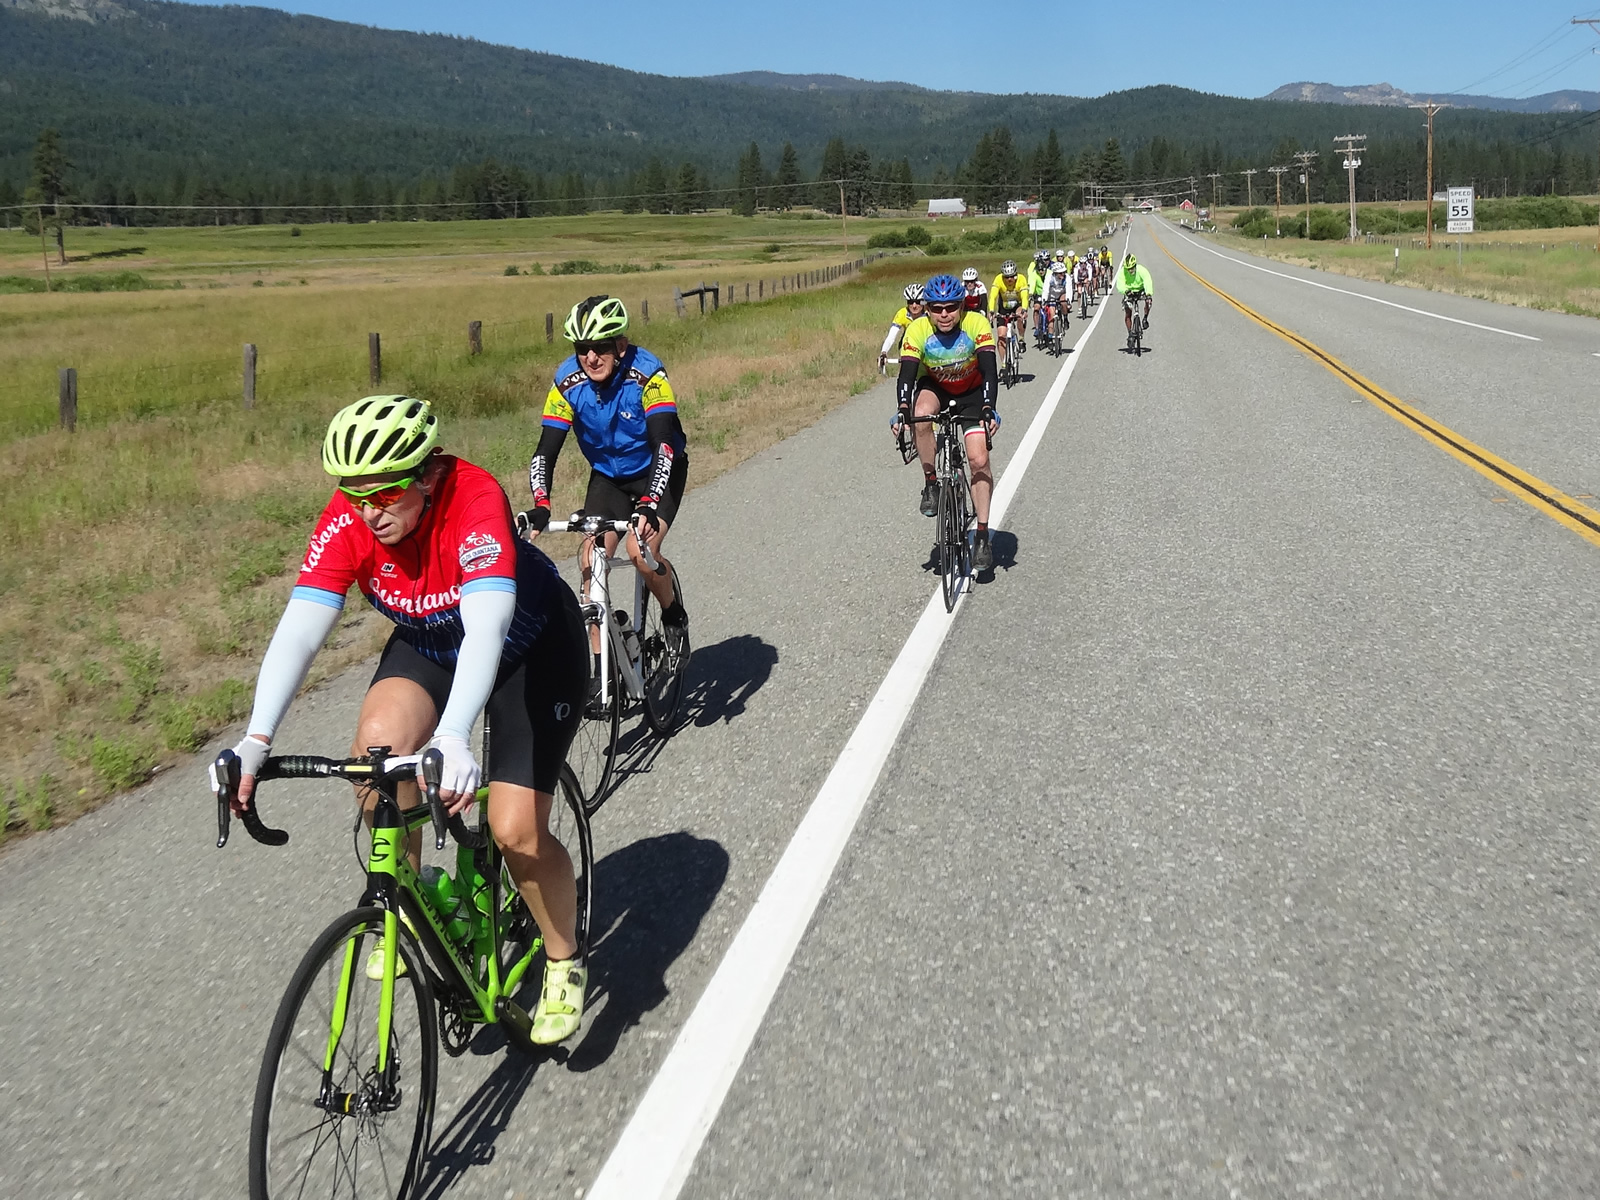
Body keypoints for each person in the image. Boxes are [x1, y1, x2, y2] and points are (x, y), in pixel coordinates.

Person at [221, 395, 592, 1045]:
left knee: (514, 831)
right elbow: (302, 628)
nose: (369, 511)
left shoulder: (472, 498)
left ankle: (563, 958)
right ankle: (415, 900)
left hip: (529, 647)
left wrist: (452, 734)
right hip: (432, 643)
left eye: (385, 493)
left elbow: (487, 627)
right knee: (373, 759)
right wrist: (256, 738)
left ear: (426, 474)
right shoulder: (351, 518)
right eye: (355, 493)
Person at [525, 295, 690, 694]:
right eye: (582, 348)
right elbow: (545, 451)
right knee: (590, 558)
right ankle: (603, 672)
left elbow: (664, 444)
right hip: (609, 478)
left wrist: (649, 503)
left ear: (620, 345)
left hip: (658, 470)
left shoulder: (648, 374)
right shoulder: (567, 382)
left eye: (600, 347)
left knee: (640, 552)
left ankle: (673, 617)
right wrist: (541, 504)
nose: (590, 357)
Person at [889, 273, 1001, 570]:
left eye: (951, 307)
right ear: (927, 309)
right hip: (936, 387)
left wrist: (988, 407)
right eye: (936, 308)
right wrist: (903, 409)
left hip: (972, 391)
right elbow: (907, 375)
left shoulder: (976, 323)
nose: (944, 314)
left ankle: (982, 536)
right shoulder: (918, 329)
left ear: (961, 306)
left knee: (978, 459)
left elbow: (990, 370)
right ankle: (930, 483)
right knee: (920, 415)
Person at [987, 260, 1030, 372]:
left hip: (1017, 306)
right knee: (1001, 336)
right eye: (1006, 277)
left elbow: (1025, 297)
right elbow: (993, 297)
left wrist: (1024, 309)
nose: (1009, 279)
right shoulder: (998, 279)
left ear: (1016, 275)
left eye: (1012, 276)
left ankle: (1021, 339)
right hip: (1003, 308)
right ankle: (1003, 364)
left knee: (1020, 316)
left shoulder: (1021, 279)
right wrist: (991, 311)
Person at [879, 282, 926, 371]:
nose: (914, 306)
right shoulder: (902, 313)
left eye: (917, 302)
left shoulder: (929, 313)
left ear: (923, 302)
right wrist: (884, 352)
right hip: (908, 344)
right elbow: (891, 336)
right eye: (910, 302)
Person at [1115, 252, 1155, 347]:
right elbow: (1120, 284)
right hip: (1129, 291)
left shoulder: (1142, 270)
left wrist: (1148, 294)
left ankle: (1145, 318)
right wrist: (1126, 291)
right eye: (1128, 269)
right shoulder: (1122, 271)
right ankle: (1130, 333)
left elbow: (1147, 281)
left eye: (1132, 268)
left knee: (1149, 301)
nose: (1130, 270)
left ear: (1135, 265)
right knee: (1128, 311)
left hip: (1141, 290)